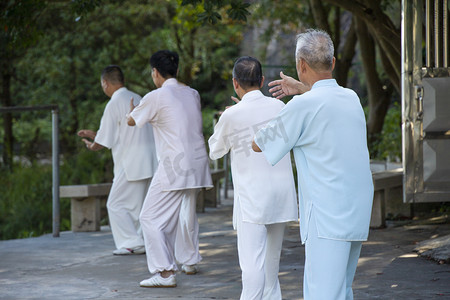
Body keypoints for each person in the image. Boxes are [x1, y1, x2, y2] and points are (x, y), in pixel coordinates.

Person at [252, 29, 374, 300]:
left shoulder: (303, 106)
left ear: (301, 65)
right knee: (342, 289)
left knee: (323, 293)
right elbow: (324, 102)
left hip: (327, 215)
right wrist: (303, 90)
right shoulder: (351, 98)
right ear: (332, 62)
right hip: (356, 210)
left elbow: (259, 144)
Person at [208, 56, 298, 300]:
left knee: (251, 264)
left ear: (235, 83)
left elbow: (215, 150)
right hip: (280, 194)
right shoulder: (280, 108)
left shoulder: (231, 115)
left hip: (252, 197)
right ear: (262, 80)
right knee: (272, 261)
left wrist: (229, 118)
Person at [127, 50, 213, 288]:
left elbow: (132, 121)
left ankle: (165, 272)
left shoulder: (156, 96)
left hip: (174, 166)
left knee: (149, 217)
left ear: (155, 72)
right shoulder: (192, 93)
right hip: (197, 162)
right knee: (179, 216)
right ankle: (187, 259)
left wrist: (132, 110)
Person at [78, 65, 158, 255]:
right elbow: (116, 134)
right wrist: (95, 135)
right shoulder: (138, 98)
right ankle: (142, 242)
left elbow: (104, 140)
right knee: (138, 206)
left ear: (105, 83)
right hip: (149, 160)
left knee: (114, 204)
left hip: (130, 162)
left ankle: (131, 243)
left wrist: (92, 144)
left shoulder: (114, 102)